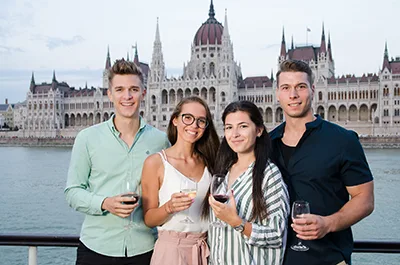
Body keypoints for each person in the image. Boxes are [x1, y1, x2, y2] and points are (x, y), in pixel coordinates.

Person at [65, 59, 170, 265]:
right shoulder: (87, 138)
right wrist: (105, 203)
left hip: (145, 250)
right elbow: (72, 191)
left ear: (143, 93)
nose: (127, 96)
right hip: (96, 249)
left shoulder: (160, 140)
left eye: (133, 89)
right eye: (120, 90)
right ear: (110, 94)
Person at [270, 59, 375, 265]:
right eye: (286, 88)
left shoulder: (342, 140)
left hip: (329, 258)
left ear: (312, 90)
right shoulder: (266, 144)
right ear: (277, 94)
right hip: (278, 259)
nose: (293, 95)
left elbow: (365, 199)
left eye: (300, 87)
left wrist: (328, 223)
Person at [206, 100, 290, 265]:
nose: (234, 134)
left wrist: (235, 222)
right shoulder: (224, 171)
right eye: (229, 127)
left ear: (258, 130)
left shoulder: (269, 175)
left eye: (243, 126)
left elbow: (277, 236)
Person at [141, 96, 220, 265]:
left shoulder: (211, 162)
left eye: (201, 121)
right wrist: (169, 207)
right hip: (171, 251)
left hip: (206, 250)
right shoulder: (155, 163)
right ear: (175, 120)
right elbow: (149, 219)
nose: (194, 125)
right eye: (188, 118)